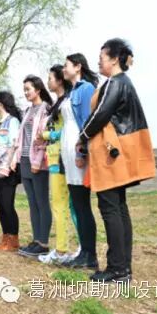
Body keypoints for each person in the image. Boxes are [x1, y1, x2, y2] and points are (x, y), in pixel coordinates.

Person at [80, 38, 155, 282]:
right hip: (118, 152)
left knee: (110, 208)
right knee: (119, 209)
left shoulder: (115, 83)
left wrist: (82, 136)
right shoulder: (123, 82)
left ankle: (117, 268)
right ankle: (123, 268)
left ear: (113, 59)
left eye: (101, 57)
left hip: (110, 154)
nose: (98, 61)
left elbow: (100, 114)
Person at [61, 53, 100, 270]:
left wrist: (82, 152)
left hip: (78, 153)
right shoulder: (71, 91)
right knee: (77, 203)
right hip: (67, 154)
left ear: (78, 67)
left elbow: (87, 121)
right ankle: (84, 252)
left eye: (66, 65)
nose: (63, 69)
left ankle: (90, 254)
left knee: (83, 205)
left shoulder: (86, 89)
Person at [38, 65, 75, 264]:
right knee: (61, 205)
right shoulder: (57, 104)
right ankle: (67, 248)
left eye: (50, 78)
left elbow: (69, 129)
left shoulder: (67, 102)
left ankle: (62, 251)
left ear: (60, 80)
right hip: (53, 158)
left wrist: (46, 135)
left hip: (62, 157)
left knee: (62, 205)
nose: (48, 82)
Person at [14, 75, 53, 257]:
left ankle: (43, 243)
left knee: (41, 202)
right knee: (32, 203)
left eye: (28, 89)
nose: (26, 92)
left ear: (38, 89)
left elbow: (44, 138)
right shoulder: (28, 111)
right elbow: (23, 137)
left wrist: (37, 161)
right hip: (24, 159)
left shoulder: (46, 109)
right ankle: (36, 240)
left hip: (38, 161)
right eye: (24, 90)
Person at [0, 92, 23, 251]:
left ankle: (13, 239)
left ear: (1, 104)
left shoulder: (12, 121)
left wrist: (7, 166)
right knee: (0, 205)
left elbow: (14, 144)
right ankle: (5, 237)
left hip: (7, 169)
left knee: (8, 205)